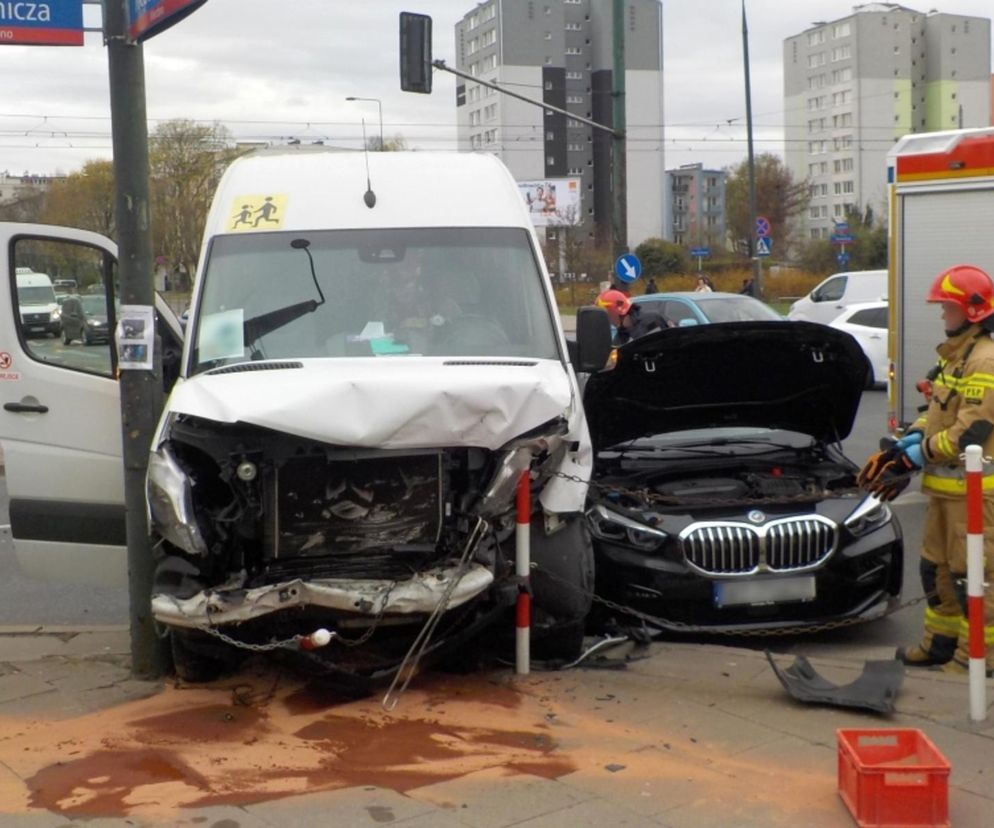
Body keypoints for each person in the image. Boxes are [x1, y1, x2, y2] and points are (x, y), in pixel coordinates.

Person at [857, 264, 994, 676]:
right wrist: (909, 441)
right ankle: (940, 645)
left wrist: (921, 455)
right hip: (945, 493)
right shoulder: (956, 358)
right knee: (935, 570)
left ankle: (975, 660)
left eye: (947, 307)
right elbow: (936, 412)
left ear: (971, 311)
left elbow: (972, 431)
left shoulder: (984, 361)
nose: (941, 315)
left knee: (973, 578)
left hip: (974, 496)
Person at [596, 288, 670, 345]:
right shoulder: (620, 338)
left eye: (608, 314)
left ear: (617, 310)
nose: (607, 319)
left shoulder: (652, 320)